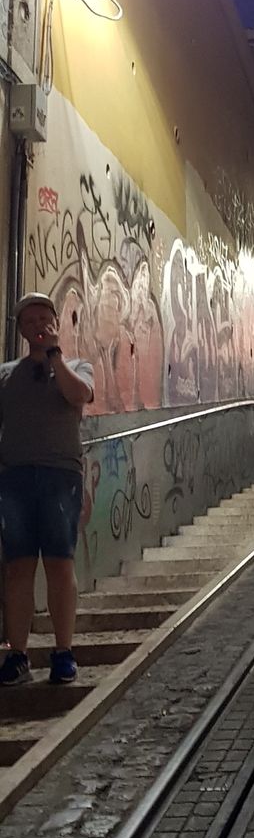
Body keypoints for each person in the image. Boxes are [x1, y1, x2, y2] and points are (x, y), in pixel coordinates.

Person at [0, 294, 94, 687]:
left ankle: (63, 653)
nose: (38, 325)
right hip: (15, 479)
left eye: (44, 318)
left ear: (56, 323)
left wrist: (55, 356)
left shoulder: (77, 367)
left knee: (59, 564)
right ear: (20, 330)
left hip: (60, 477)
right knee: (18, 567)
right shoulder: (5, 374)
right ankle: (18, 655)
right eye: (30, 321)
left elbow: (79, 397)